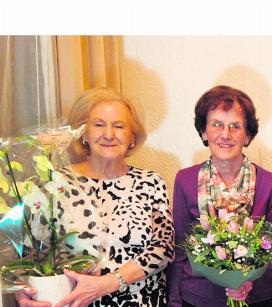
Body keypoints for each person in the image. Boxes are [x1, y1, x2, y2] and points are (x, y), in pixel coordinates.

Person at [15, 88, 175, 306]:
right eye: (99, 125)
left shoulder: (151, 182)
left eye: (119, 126)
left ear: (131, 136)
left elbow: (163, 248)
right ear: (83, 133)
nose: (109, 134)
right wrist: (24, 292)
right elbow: (30, 257)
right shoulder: (55, 185)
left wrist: (109, 283)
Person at [168, 85, 272, 307]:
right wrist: (174, 302)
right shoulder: (185, 180)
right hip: (197, 299)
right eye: (216, 125)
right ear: (204, 132)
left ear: (248, 135)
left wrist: (249, 279)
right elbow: (179, 248)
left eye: (235, 126)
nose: (225, 134)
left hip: (257, 299)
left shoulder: (270, 184)